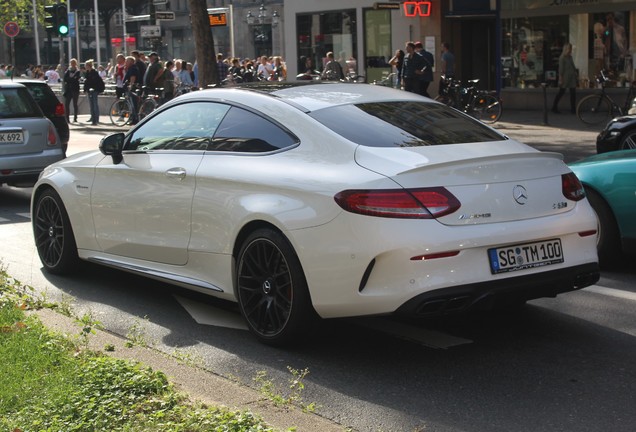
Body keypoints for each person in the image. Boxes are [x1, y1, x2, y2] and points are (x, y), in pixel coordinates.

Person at [551, 43, 577, 114]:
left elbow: (573, 65)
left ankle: (573, 109)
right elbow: (561, 69)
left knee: (573, 93)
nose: (571, 50)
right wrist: (560, 78)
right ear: (566, 49)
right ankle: (554, 107)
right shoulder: (562, 58)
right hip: (565, 77)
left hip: (571, 78)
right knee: (561, 92)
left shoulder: (570, 57)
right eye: (570, 49)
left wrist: (575, 72)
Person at [83, 59, 104, 125]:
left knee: (95, 104)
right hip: (90, 90)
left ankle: (96, 119)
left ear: (89, 66)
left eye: (86, 65)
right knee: (91, 105)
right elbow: (86, 82)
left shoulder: (94, 72)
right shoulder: (87, 73)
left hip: (95, 90)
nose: (85, 67)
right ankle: (92, 117)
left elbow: (94, 81)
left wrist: (92, 87)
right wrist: (85, 89)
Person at [123, 55, 142, 124]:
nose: (125, 63)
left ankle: (135, 119)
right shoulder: (131, 68)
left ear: (131, 62)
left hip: (133, 89)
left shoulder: (132, 68)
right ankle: (133, 118)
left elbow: (132, 77)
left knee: (133, 104)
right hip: (133, 88)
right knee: (132, 104)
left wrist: (131, 86)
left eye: (127, 61)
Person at [63, 58, 81, 123]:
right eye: (71, 63)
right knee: (67, 104)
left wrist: (70, 79)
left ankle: (75, 118)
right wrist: (71, 79)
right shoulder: (68, 71)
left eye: (73, 63)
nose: (72, 64)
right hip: (68, 90)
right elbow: (65, 79)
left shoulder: (77, 71)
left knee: (75, 104)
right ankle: (67, 118)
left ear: (75, 64)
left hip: (75, 89)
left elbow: (76, 79)